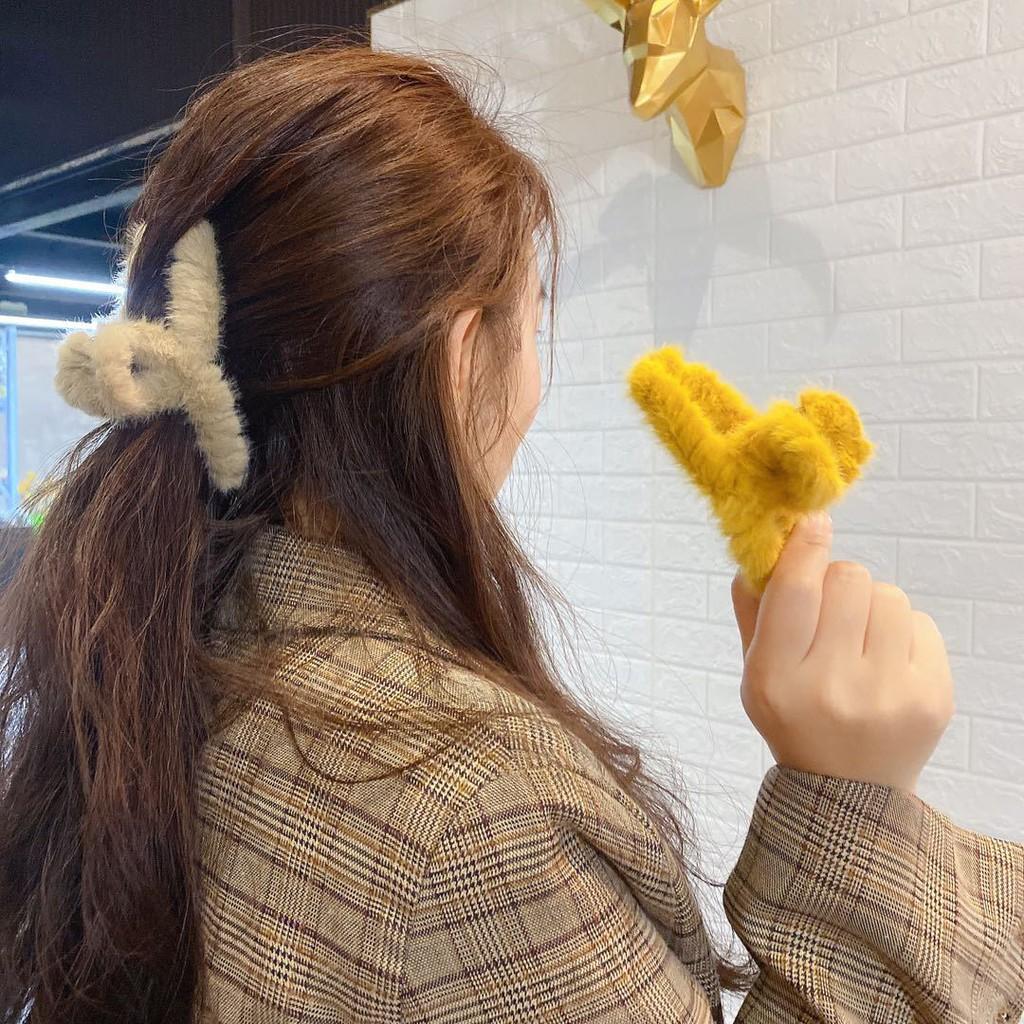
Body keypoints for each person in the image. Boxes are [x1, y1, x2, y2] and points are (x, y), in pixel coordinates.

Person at [0, 41, 1020, 1024]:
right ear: (460, 358)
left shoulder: (148, 641)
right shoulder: (475, 816)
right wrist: (854, 798)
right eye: (531, 323)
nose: (533, 373)